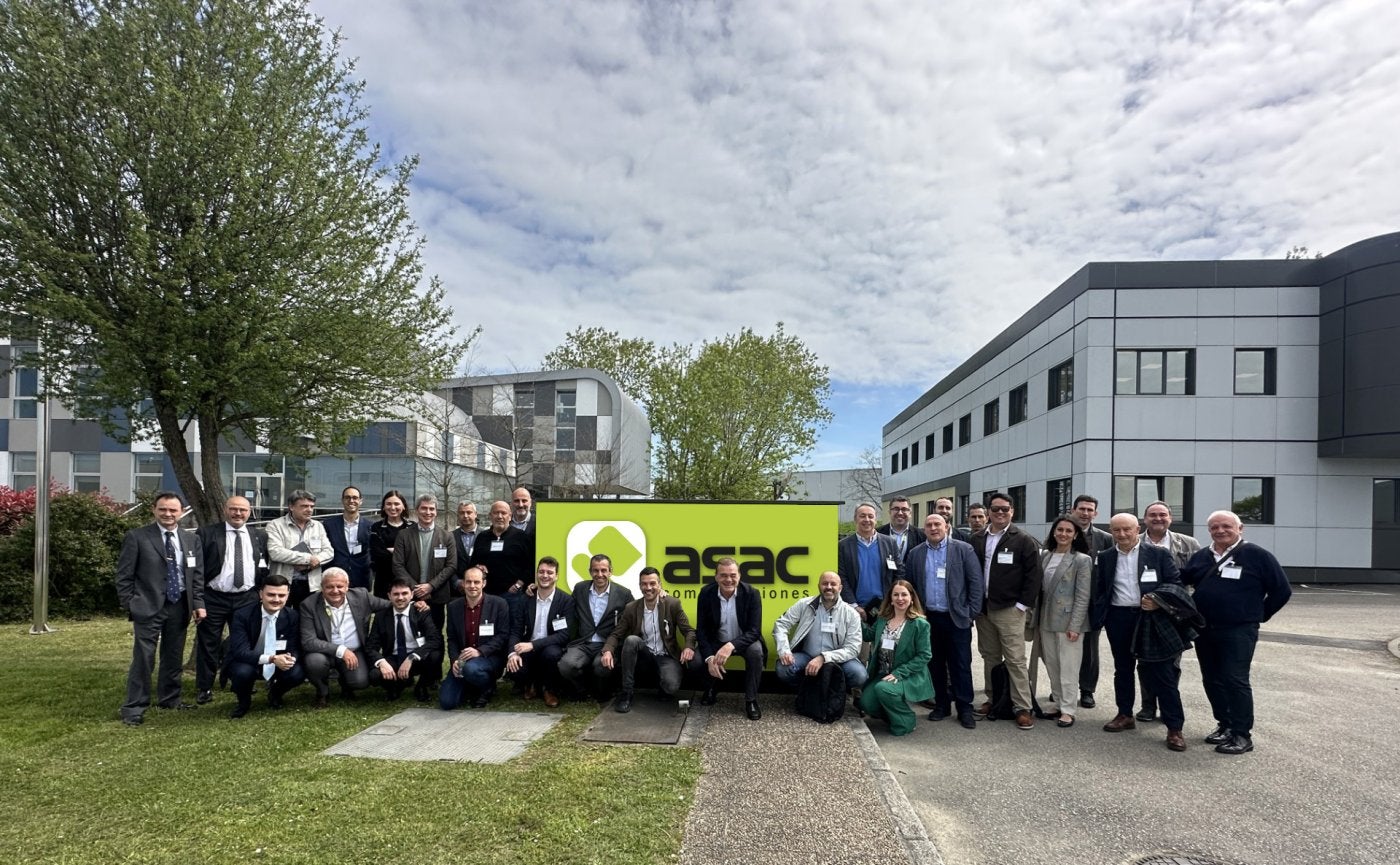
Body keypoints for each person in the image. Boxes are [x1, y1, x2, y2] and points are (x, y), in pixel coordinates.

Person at [1182, 510, 1292, 755]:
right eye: (1214, 527)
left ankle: (1242, 734)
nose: (1220, 531)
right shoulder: (1201, 556)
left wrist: (1258, 614)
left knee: (1234, 679)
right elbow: (1183, 579)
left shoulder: (1257, 555)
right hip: (1204, 629)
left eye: (1226, 526)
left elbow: (1282, 590)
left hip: (1238, 630)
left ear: (1240, 528)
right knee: (1211, 678)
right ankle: (1225, 724)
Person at [1093, 513, 1187, 751]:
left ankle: (1174, 727)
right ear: (1111, 531)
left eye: (1127, 529)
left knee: (1162, 673)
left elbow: (1175, 583)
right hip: (1118, 618)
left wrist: (1157, 600)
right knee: (1123, 669)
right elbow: (1101, 588)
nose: (1122, 534)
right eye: (1116, 530)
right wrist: (1102, 616)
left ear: (1138, 529)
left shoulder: (1158, 554)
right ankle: (1125, 714)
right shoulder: (1105, 556)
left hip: (1151, 617)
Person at [115, 491, 204, 725]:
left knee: (173, 655)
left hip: (180, 605)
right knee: (144, 657)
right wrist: (131, 604)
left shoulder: (191, 539)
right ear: (153, 510)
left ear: (181, 512)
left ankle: (170, 698)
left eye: (173, 510)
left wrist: (198, 604)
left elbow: (196, 576)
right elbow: (124, 575)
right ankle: (134, 706)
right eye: (163, 509)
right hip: (147, 605)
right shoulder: (137, 537)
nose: (168, 514)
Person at [970, 492, 1042, 730]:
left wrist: (1022, 605)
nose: (1000, 513)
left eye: (1005, 509)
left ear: (1012, 511)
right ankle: (993, 699)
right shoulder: (977, 538)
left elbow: (1034, 576)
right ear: (988, 512)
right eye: (995, 509)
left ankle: (1022, 707)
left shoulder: (1023, 540)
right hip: (984, 609)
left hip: (1011, 609)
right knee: (990, 656)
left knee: (1015, 659)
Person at [905, 513, 984, 729]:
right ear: (924, 529)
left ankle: (965, 708)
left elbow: (976, 583)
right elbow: (910, 586)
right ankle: (942, 704)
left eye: (937, 524)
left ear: (947, 527)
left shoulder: (963, 549)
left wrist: (971, 613)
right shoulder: (916, 553)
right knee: (935, 664)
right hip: (929, 618)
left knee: (961, 664)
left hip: (956, 618)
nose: (933, 528)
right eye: (929, 525)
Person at [193, 495, 267, 704]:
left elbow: (263, 564)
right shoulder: (207, 533)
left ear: (250, 512)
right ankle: (205, 687)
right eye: (234, 509)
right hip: (214, 597)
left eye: (243, 510)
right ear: (225, 510)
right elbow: (198, 569)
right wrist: (198, 600)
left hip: (246, 597)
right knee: (209, 643)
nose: (238, 513)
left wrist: (260, 591)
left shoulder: (259, 535)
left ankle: (241, 680)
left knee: (244, 642)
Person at [1136, 500, 1202, 721]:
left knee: (1172, 662)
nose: (1158, 518)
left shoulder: (1188, 544)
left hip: (1173, 613)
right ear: (1145, 519)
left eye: (1162, 515)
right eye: (1153, 515)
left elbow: (1198, 578)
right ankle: (1148, 706)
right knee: (1145, 662)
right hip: (1143, 611)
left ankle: (1168, 707)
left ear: (1170, 518)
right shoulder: (1135, 542)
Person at [602, 567, 699, 712]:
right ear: (639, 585)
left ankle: (662, 685)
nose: (648, 588)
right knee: (631, 640)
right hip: (644, 655)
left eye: (652, 583)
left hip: (666, 656)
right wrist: (607, 650)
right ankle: (627, 693)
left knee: (671, 687)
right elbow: (616, 634)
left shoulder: (672, 604)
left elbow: (689, 631)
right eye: (644, 584)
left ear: (660, 585)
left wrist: (689, 647)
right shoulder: (631, 607)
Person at [1028, 516, 1093, 727]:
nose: (1063, 534)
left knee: (1069, 667)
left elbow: (1083, 596)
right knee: (1052, 665)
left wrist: (1075, 625)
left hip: (1069, 621)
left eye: (1068, 531)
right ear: (1054, 532)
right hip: (1045, 618)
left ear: (1075, 535)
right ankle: (1057, 702)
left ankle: (1068, 709)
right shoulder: (1045, 555)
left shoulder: (1081, 560)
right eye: (1060, 530)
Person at [299, 567, 390, 708]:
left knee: (360, 682)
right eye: (329, 587)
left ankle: (346, 683)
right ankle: (322, 691)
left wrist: (415, 604)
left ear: (347, 586)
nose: (335, 591)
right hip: (324, 653)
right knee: (314, 662)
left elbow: (390, 605)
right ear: (322, 587)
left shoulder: (361, 596)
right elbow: (308, 641)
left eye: (340, 586)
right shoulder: (309, 605)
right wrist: (341, 650)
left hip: (354, 651)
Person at [225, 574, 306, 718]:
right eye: (271, 595)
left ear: (288, 596)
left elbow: (294, 646)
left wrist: (290, 659)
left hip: (279, 661)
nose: (276, 599)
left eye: (281, 595)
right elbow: (240, 651)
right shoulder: (242, 615)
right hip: (249, 661)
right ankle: (244, 702)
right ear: (261, 594)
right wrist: (272, 659)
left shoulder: (293, 616)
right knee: (242, 672)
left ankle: (275, 693)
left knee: (297, 673)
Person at [858, 580, 932, 736]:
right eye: (896, 595)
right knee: (866, 703)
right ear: (890, 599)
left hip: (906, 675)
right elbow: (868, 635)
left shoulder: (920, 624)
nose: (900, 598)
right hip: (883, 673)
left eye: (904, 595)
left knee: (883, 689)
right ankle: (893, 716)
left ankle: (906, 721)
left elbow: (924, 655)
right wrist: (853, 617)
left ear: (912, 598)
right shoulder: (882, 619)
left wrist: (899, 673)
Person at [772, 571, 867, 693]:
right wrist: (784, 650)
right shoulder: (804, 604)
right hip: (807, 656)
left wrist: (823, 657)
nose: (829, 587)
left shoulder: (851, 614)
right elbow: (781, 624)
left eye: (833, 584)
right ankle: (807, 692)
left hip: (839, 660)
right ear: (818, 586)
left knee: (859, 675)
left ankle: (836, 693)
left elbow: (853, 648)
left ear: (840, 588)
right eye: (825, 583)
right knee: (783, 669)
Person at [696, 557, 765, 721]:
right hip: (716, 641)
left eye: (733, 575)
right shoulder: (706, 593)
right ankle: (711, 688)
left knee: (756, 652)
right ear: (716, 577)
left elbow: (754, 631)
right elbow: (702, 630)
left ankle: (751, 700)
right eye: (723, 575)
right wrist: (709, 657)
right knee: (696, 660)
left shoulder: (752, 593)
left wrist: (730, 646)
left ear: (739, 576)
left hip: (743, 642)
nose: (728, 579)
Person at [558, 554, 635, 699]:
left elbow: (636, 612)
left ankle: (603, 693)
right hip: (583, 643)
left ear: (610, 571)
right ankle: (581, 691)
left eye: (604, 570)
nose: (599, 574)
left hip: (607, 644)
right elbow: (565, 603)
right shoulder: (580, 588)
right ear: (590, 571)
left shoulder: (623, 593)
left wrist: (660, 594)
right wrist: (539, 589)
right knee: (566, 665)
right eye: (595, 570)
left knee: (602, 666)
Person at [505, 556, 575, 708]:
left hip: (551, 646)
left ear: (556, 576)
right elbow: (516, 630)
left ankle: (547, 689)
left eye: (550, 572)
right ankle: (530, 683)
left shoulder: (565, 600)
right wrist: (512, 653)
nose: (545, 575)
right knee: (516, 668)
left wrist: (533, 645)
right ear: (536, 574)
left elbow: (564, 635)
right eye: (541, 572)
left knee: (551, 654)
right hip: (528, 646)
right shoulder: (525, 599)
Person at [391, 494, 457, 650]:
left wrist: (430, 586)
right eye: (424, 508)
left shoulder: (447, 536)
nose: (428, 512)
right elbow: (397, 565)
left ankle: (433, 666)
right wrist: (416, 588)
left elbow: (451, 565)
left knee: (435, 635)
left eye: (431, 509)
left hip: (437, 596)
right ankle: (412, 662)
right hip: (410, 596)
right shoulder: (404, 535)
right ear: (416, 510)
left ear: (436, 511)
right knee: (412, 634)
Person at [440, 567, 510, 709]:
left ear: (484, 583)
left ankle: (487, 687)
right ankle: (471, 685)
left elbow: (503, 635)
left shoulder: (499, 604)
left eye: (476, 582)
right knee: (447, 702)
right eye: (469, 582)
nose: (472, 586)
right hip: (463, 660)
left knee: (471, 669)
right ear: (463, 583)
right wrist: (454, 660)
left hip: (489, 657)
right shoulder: (453, 607)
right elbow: (452, 639)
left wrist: (479, 651)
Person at [367, 578, 444, 702]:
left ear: (412, 594)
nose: (400, 598)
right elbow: (371, 646)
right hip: (394, 657)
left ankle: (421, 686)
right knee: (374, 675)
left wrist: (411, 657)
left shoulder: (421, 612)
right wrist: (382, 662)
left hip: (416, 657)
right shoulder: (381, 616)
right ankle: (394, 687)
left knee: (435, 655)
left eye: (404, 593)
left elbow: (435, 639)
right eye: (396, 594)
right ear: (389, 596)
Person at [1070, 494, 1114, 711]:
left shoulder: (1105, 539)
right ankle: (1064, 687)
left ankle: (1087, 689)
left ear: (1095, 513)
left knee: (1089, 649)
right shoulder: (1062, 532)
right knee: (1063, 648)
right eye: (1082, 509)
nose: (1085, 513)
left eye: (1089, 510)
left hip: (1092, 603)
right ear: (1073, 510)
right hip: (1064, 602)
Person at [470, 500, 533, 640]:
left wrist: (519, 584)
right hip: (487, 594)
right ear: (490, 516)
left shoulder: (521, 537)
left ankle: (511, 653)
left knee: (513, 630)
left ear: (510, 516)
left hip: (512, 595)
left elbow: (530, 565)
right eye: (496, 513)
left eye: (503, 513)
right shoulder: (482, 537)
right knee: (488, 630)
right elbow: (473, 563)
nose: (499, 516)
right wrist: (478, 568)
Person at [265, 489, 333, 609]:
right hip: (283, 583)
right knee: (282, 617)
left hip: (311, 584)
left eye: (311, 506)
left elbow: (329, 552)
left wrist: (315, 561)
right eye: (304, 506)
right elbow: (275, 552)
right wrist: (308, 559)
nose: (309, 510)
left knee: (307, 617)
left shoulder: (318, 526)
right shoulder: (275, 525)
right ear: (291, 507)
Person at [838, 502, 904, 622]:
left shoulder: (890, 543)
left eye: (870, 516)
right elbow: (842, 578)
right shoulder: (843, 546)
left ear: (876, 519)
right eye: (862, 516)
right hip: (854, 610)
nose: (867, 520)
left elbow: (899, 574)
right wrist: (853, 605)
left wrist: (891, 601)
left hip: (885, 608)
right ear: (855, 519)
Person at [323, 486, 372, 590]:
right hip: (335, 577)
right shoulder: (329, 525)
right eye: (347, 497)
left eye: (355, 498)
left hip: (361, 577)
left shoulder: (370, 526)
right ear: (342, 500)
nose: (351, 501)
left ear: (361, 501)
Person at [368, 490, 411, 598]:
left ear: (403, 506)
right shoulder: (376, 528)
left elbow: (414, 554)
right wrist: (402, 551)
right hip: (383, 581)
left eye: (396, 504)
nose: (392, 507)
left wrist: (392, 550)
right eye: (388, 504)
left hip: (407, 581)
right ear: (383, 506)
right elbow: (378, 555)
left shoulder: (412, 527)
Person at [876, 497, 920, 562]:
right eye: (896, 509)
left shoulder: (921, 535)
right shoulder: (877, 533)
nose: (900, 513)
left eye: (904, 509)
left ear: (910, 513)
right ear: (889, 512)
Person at [451, 501, 479, 595]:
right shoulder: (450, 537)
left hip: (480, 589)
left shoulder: (485, 536)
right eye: (462, 513)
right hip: (457, 591)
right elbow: (446, 563)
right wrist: (457, 582)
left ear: (475, 514)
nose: (465, 516)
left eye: (469, 512)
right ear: (458, 515)